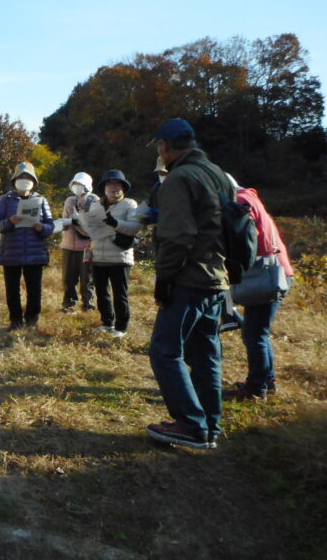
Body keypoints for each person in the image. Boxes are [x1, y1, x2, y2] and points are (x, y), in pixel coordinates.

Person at [145, 118, 231, 450]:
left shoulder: (180, 177)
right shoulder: (216, 173)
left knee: (165, 351)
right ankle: (210, 424)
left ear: (165, 147)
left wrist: (164, 280)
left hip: (188, 278)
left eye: (159, 148)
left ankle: (190, 425)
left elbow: (177, 237)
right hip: (216, 279)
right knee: (205, 353)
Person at [224, 174, 294, 401]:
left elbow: (246, 238)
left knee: (255, 335)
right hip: (275, 272)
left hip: (266, 275)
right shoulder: (249, 197)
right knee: (258, 332)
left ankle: (256, 388)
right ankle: (267, 379)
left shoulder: (241, 203)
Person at [76, 170, 141, 339]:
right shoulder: (96, 205)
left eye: (118, 184)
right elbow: (91, 230)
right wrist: (81, 224)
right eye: (111, 184)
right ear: (104, 187)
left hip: (120, 256)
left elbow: (134, 228)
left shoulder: (130, 204)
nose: (115, 187)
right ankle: (107, 322)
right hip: (98, 254)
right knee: (102, 292)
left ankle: (121, 327)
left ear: (123, 188)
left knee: (120, 293)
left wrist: (115, 223)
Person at [0, 162, 54, 330]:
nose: (24, 180)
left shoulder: (41, 200)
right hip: (11, 251)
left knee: (34, 289)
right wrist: (9, 222)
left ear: (34, 181)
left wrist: (42, 228)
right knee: (12, 289)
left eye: (28, 177)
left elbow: (50, 225)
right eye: (21, 177)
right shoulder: (5, 200)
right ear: (14, 180)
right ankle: (15, 320)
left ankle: (32, 320)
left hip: (35, 252)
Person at [56, 172, 97, 313]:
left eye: (79, 184)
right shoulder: (69, 201)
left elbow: (94, 225)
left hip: (88, 246)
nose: (76, 187)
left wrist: (77, 221)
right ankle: (68, 305)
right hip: (68, 244)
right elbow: (64, 220)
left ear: (87, 186)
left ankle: (88, 306)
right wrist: (64, 223)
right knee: (68, 278)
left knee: (87, 278)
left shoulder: (95, 201)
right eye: (75, 184)